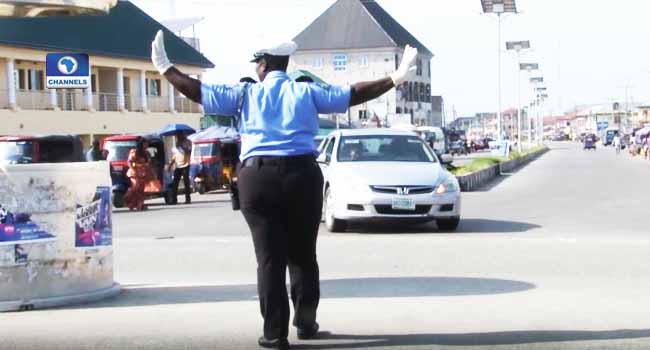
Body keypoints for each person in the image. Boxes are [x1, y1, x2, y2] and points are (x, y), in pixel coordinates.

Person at [151, 30, 418, 349]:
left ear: (263, 64)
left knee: (269, 259)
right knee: (303, 255)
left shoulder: (244, 95)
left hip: (258, 178)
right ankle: (305, 323)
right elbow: (353, 94)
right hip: (302, 176)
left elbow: (198, 91)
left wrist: (165, 67)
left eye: (256, 63)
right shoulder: (308, 93)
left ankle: (274, 334)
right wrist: (396, 77)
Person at [124, 138, 151, 211]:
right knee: (135, 187)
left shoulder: (146, 153)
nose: (147, 145)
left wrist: (147, 165)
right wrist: (134, 169)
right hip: (134, 172)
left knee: (141, 190)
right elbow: (129, 162)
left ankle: (139, 205)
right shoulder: (134, 151)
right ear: (141, 144)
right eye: (145, 144)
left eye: (147, 144)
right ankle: (128, 200)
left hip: (143, 173)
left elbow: (148, 162)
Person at [168, 133, 192, 204]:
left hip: (186, 165)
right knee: (175, 183)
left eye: (179, 135)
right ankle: (174, 199)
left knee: (186, 182)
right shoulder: (177, 143)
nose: (177, 137)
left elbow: (189, 151)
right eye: (176, 136)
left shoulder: (188, 142)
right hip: (178, 166)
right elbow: (175, 155)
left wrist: (182, 147)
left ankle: (188, 199)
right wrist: (170, 165)